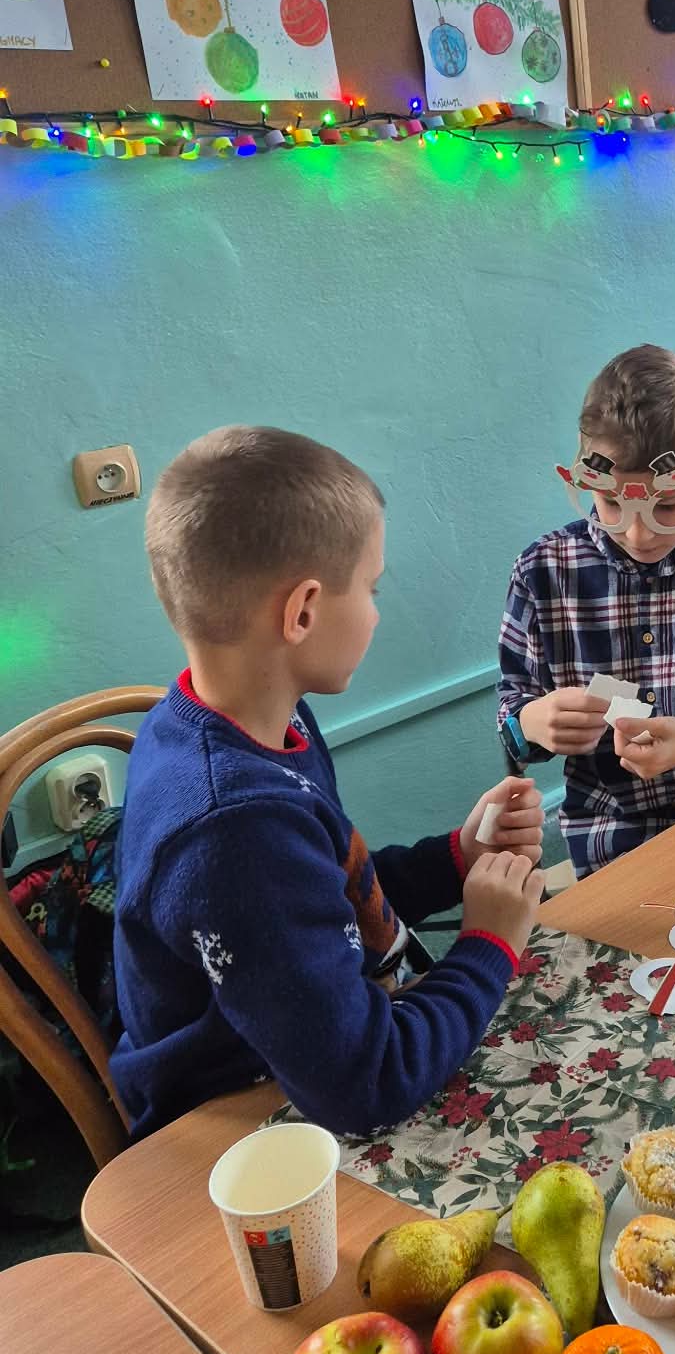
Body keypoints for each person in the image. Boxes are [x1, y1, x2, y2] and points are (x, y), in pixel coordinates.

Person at [112, 427, 545, 1141]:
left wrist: (455, 858)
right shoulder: (233, 828)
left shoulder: (254, 718)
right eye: (371, 588)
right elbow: (369, 1084)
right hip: (237, 1130)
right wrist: (489, 942)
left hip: (318, 1048)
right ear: (303, 611)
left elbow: (323, 899)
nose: (376, 609)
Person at [498, 346, 675, 876]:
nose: (638, 533)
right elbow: (514, 712)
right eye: (612, 505)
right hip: (612, 827)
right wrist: (531, 723)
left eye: (667, 506)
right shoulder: (543, 571)